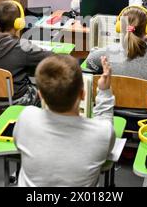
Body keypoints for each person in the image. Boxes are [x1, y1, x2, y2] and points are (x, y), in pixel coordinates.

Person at [13, 55, 115, 186]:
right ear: (83, 94)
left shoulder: (26, 117)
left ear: (40, 95)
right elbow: (106, 131)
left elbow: (18, 146)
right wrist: (104, 91)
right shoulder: (102, 133)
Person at [85, 6, 147, 121]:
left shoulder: (108, 51)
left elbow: (89, 62)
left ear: (119, 27)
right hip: (146, 116)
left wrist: (97, 53)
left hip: (111, 111)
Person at [0, 0, 53, 107]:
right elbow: (51, 58)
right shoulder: (22, 47)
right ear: (19, 23)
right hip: (16, 101)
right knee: (45, 89)